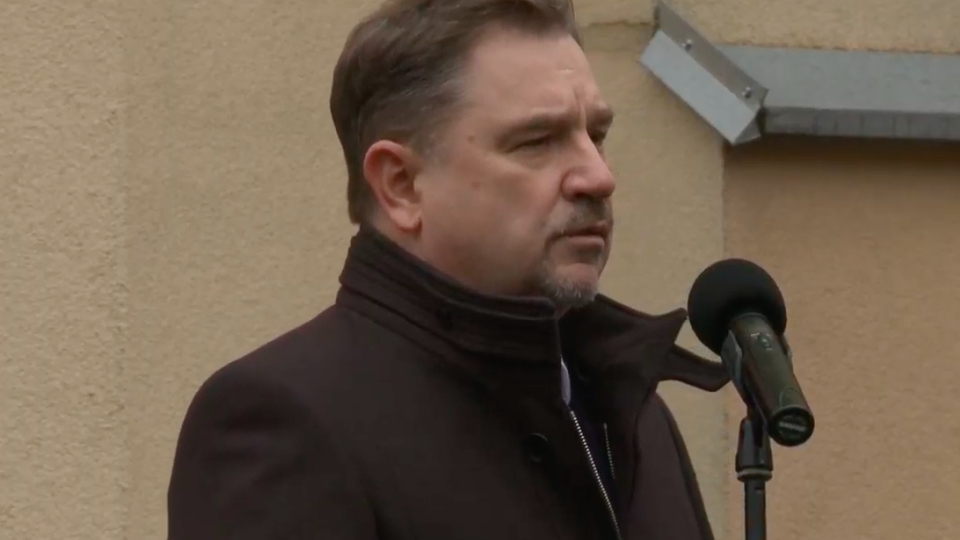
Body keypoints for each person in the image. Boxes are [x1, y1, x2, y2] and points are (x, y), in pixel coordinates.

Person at [166, 0, 730, 538]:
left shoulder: (631, 416)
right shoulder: (287, 420)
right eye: (538, 141)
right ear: (401, 185)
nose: (598, 177)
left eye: (596, 136)